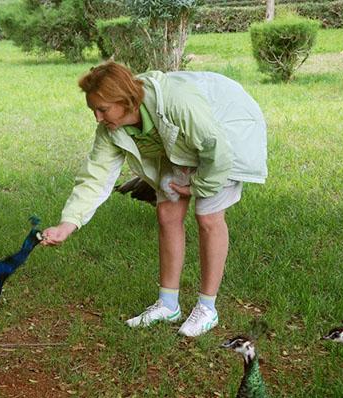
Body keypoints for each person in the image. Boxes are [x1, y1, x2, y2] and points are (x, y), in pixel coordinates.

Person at [42, 61, 267, 337]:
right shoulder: (112, 129)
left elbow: (214, 146)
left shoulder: (176, 103)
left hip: (226, 133)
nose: (97, 119)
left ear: (125, 101)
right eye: (93, 110)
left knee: (207, 215)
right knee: (167, 214)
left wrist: (199, 186)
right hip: (182, 145)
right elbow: (95, 177)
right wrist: (68, 224)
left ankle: (207, 308)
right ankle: (168, 304)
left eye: (102, 110)